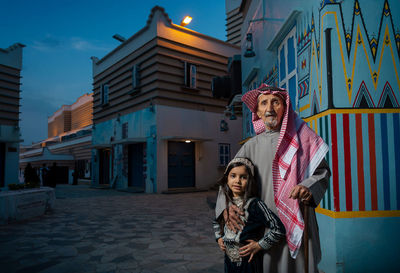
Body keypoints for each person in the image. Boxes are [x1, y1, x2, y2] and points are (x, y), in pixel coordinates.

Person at [215, 84, 331, 273]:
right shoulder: (250, 146)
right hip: (264, 227)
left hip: (298, 219)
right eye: (264, 104)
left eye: (275, 102)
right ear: (258, 112)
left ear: (284, 108)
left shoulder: (304, 139)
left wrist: (307, 187)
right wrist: (226, 208)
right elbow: (229, 180)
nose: (269, 108)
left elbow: (322, 173)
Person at [213, 157, 286, 273]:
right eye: (233, 176)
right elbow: (216, 221)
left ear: (250, 180)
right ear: (226, 178)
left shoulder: (255, 204)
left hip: (249, 262)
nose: (237, 181)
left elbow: (279, 229)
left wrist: (259, 245)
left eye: (243, 177)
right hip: (229, 260)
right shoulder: (226, 204)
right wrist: (219, 238)